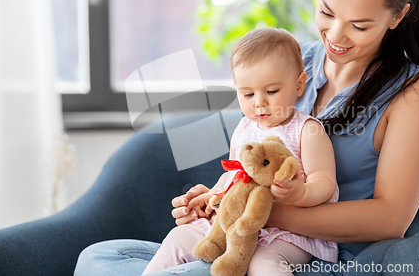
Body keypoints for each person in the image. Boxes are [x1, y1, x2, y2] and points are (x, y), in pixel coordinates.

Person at [73, 0, 419, 275]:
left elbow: (390, 219)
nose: (335, 36)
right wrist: (219, 198)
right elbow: (256, 158)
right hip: (250, 232)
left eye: (359, 26)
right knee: (96, 257)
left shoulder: (415, 92)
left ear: (398, 16)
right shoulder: (297, 65)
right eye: (327, 13)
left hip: (313, 254)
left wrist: (261, 213)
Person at [141, 27, 339, 275]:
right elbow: (236, 176)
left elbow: (325, 182)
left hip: (287, 233)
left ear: (299, 85)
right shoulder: (244, 128)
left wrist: (300, 193)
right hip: (237, 223)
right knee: (178, 237)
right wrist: (213, 196)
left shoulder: (307, 131)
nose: (259, 102)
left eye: (272, 91)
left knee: (263, 263)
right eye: (247, 93)